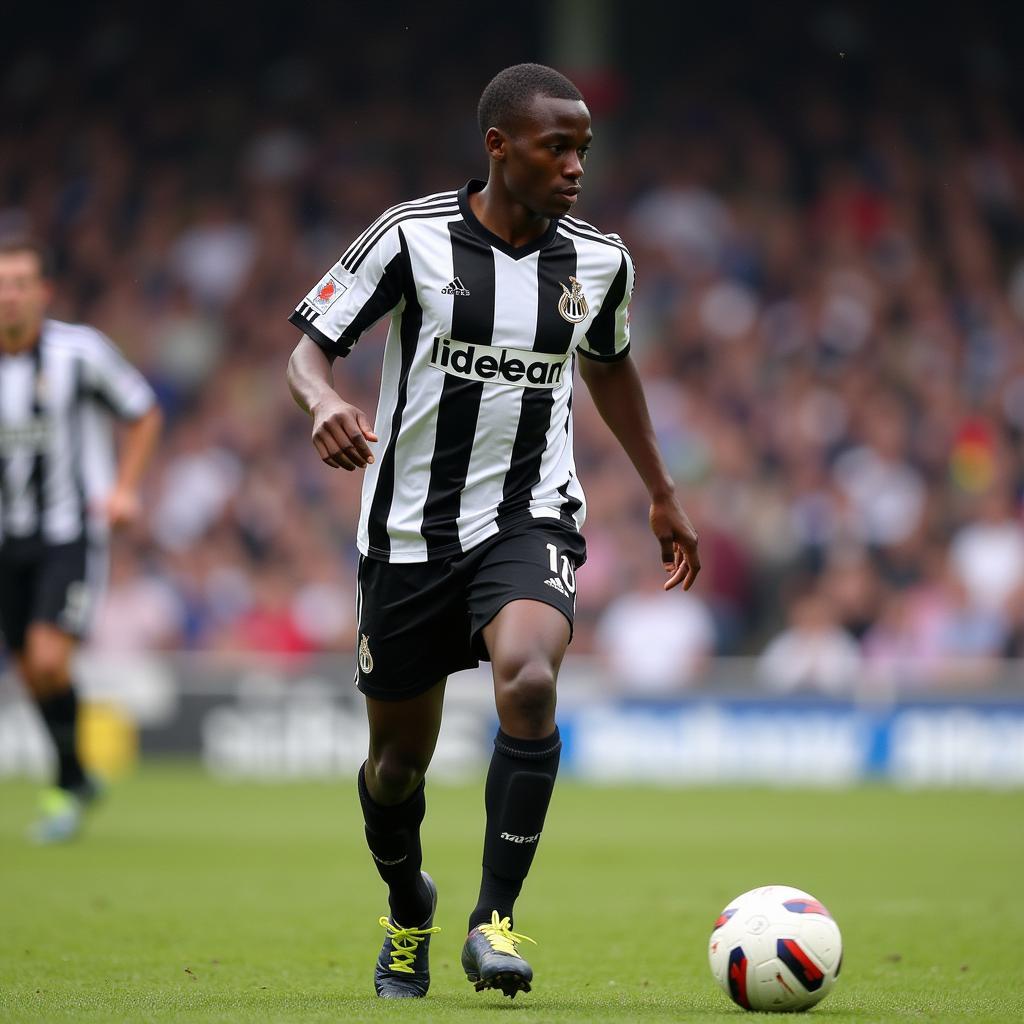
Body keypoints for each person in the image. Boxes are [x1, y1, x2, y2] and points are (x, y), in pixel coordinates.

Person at [286, 63, 700, 1000]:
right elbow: (310, 348)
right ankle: (407, 904)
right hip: (407, 533)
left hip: (531, 514)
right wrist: (320, 403)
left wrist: (661, 490)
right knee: (395, 770)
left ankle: (495, 920)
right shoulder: (411, 237)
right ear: (499, 147)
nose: (574, 167)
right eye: (557, 147)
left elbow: (611, 364)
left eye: (584, 150)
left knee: (530, 677)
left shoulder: (599, 260)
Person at [0, 238, 162, 842]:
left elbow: (143, 410)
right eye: (2, 282)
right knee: (30, 670)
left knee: (47, 658)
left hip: (69, 534)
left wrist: (123, 488)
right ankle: (75, 776)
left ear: (41, 293)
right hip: (7, 541)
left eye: (20, 282)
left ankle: (68, 781)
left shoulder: (78, 352)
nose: (9, 294)